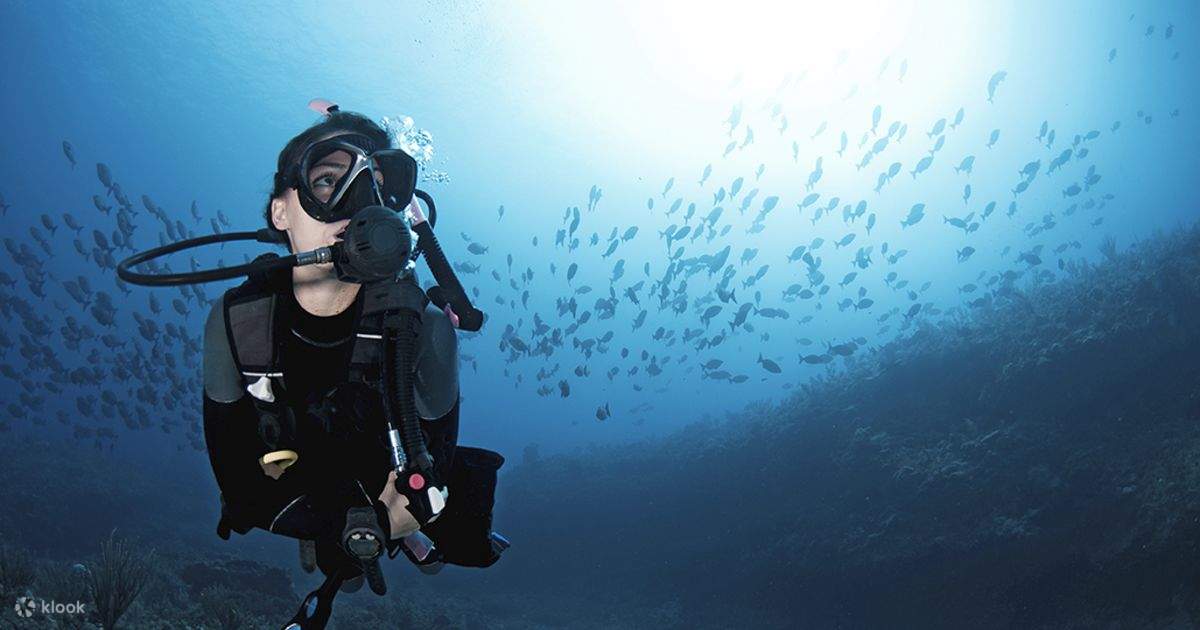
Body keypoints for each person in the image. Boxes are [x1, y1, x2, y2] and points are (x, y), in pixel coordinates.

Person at [201, 108, 507, 612]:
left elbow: (437, 465)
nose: (358, 207)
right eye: (326, 181)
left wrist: (390, 521)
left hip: (380, 474)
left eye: (377, 188)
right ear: (280, 212)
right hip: (295, 476)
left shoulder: (422, 326)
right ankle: (361, 544)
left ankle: (391, 542)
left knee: (416, 527)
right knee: (337, 565)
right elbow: (238, 488)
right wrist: (371, 526)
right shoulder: (237, 321)